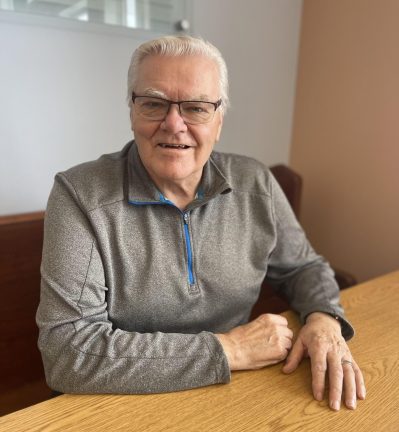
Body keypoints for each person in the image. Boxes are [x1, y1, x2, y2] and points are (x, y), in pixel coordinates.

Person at [37, 35, 365, 411]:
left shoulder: (256, 182)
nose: (173, 124)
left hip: (230, 397)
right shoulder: (78, 195)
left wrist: (323, 318)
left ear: (219, 120)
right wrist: (229, 349)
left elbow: (304, 267)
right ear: (132, 111)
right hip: (114, 405)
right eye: (153, 103)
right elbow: (68, 352)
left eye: (195, 108)